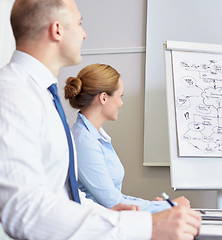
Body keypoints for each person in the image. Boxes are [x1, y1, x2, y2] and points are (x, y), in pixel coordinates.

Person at [0, 0, 201, 239]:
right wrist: (146, 226)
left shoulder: (43, 95)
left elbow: (67, 195)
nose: (84, 34)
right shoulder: (12, 94)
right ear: (57, 30)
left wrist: (118, 217)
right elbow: (23, 210)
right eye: (79, 23)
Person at [64, 63, 190, 213]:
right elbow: (112, 202)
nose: (121, 103)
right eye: (120, 96)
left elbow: (114, 197)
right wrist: (169, 206)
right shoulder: (84, 141)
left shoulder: (94, 136)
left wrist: (153, 205)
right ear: (104, 98)